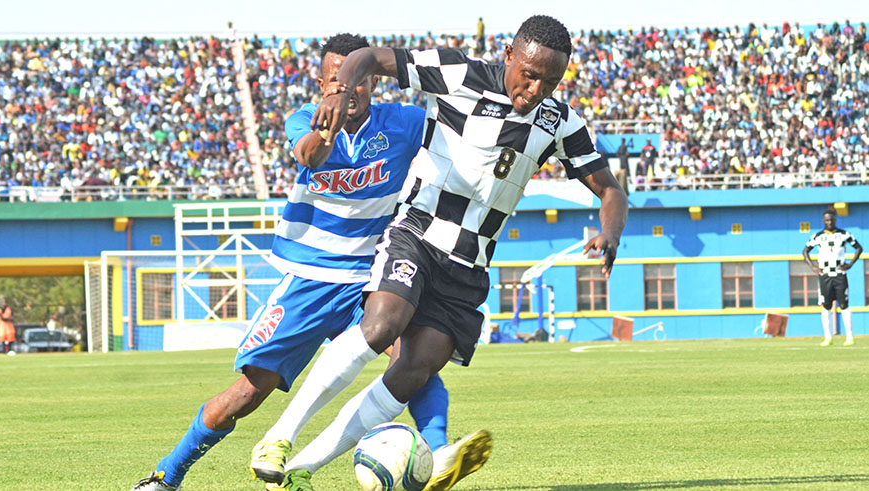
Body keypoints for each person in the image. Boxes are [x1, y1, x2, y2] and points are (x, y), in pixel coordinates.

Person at [274, 15, 628, 490]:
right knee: (381, 326)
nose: (536, 90)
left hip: (469, 264)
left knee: (413, 371)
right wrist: (339, 90)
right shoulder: (458, 73)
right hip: (417, 234)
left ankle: (298, 471)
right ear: (509, 55)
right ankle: (279, 437)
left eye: (550, 82)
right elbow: (368, 57)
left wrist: (610, 232)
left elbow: (609, 189)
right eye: (529, 76)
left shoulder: (560, 122)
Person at [130, 33, 460, 491]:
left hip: (372, 277)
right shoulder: (303, 120)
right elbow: (309, 155)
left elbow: (457, 136)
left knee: (414, 360)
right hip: (310, 278)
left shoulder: (404, 122)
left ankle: (440, 456)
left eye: (357, 80)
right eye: (336, 82)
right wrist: (328, 125)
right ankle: (167, 475)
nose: (348, 90)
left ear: (372, 81)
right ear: (323, 84)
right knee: (246, 394)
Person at [803, 209, 863, 346]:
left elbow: (859, 248)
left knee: (844, 305)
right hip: (825, 275)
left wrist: (850, 264)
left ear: (835, 220)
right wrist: (813, 266)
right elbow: (805, 251)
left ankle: (850, 337)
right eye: (827, 220)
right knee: (826, 305)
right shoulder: (817, 236)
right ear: (823, 221)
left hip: (839, 273)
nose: (829, 222)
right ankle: (828, 337)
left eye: (831, 220)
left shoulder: (843, 234)